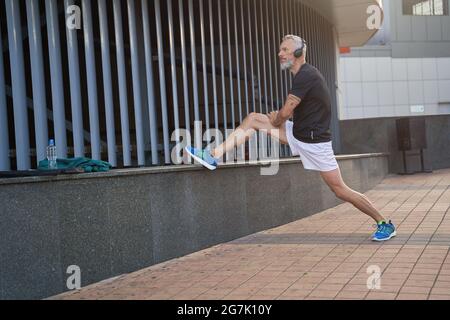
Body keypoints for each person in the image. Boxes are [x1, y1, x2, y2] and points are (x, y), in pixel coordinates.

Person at [185, 35, 396, 242]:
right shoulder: (301, 75)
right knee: (253, 120)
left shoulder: (306, 75)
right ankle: (213, 156)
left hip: (315, 144)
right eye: (280, 49)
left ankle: (383, 223)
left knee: (340, 190)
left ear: (298, 52)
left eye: (285, 50)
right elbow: (291, 112)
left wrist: (277, 118)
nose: (280, 54)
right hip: (299, 134)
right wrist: (279, 118)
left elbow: (285, 113)